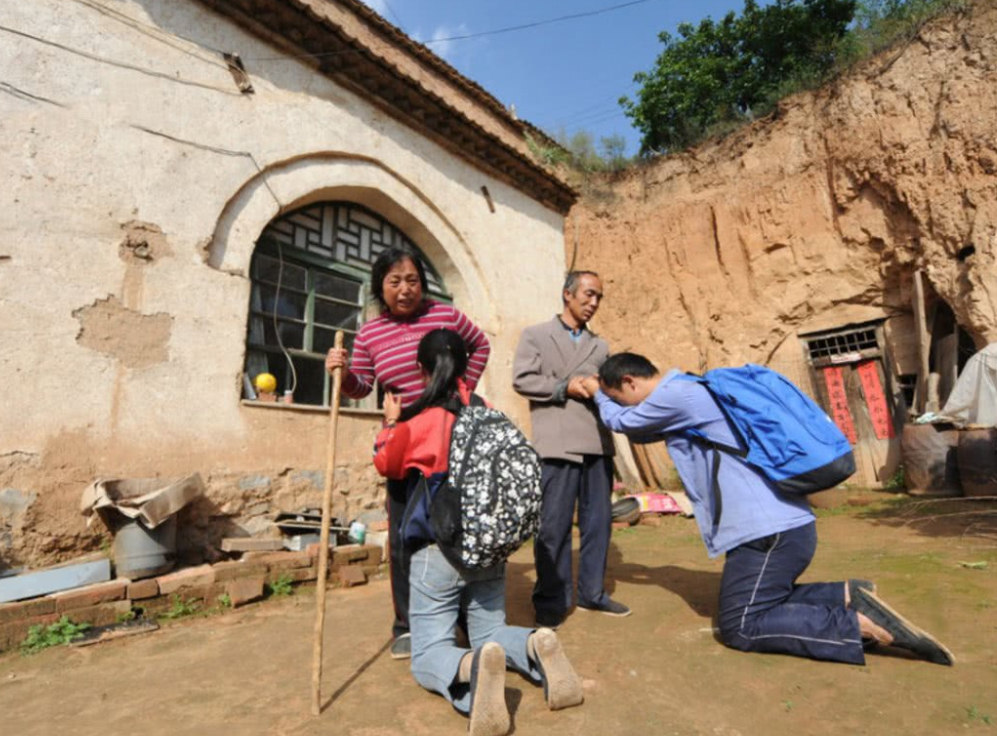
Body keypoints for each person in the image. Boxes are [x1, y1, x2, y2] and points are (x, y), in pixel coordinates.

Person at [583, 353, 954, 666]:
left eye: (619, 395)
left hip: (767, 533)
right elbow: (642, 432)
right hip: (781, 527)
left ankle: (852, 624)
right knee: (762, 599)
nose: (621, 403)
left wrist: (597, 395)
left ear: (630, 383)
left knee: (740, 624)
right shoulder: (691, 392)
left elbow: (624, 422)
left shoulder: (677, 395)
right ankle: (846, 593)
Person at [373, 329, 584, 736]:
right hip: (490, 549)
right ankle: (532, 645)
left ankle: (469, 668)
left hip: (439, 549)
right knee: (490, 632)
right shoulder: (488, 412)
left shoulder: (424, 417)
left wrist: (390, 423)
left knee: (429, 650)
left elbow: (388, 463)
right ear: (466, 368)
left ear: (421, 370)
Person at [326, 247, 491, 659]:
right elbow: (362, 387)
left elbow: (481, 346)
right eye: (395, 282)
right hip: (403, 439)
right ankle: (407, 625)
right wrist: (342, 374)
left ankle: (467, 618)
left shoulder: (445, 316)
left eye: (413, 280)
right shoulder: (369, 334)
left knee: (458, 527)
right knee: (405, 535)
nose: (405, 289)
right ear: (380, 286)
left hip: (449, 435)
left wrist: (457, 393)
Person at [512, 271, 630, 628]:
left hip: (596, 441)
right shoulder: (535, 335)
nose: (593, 303)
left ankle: (592, 594)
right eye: (588, 295)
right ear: (567, 294)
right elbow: (523, 379)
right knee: (554, 526)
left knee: (599, 523)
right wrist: (566, 386)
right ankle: (551, 600)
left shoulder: (601, 346)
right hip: (557, 443)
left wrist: (602, 388)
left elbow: (610, 389)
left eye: (599, 298)